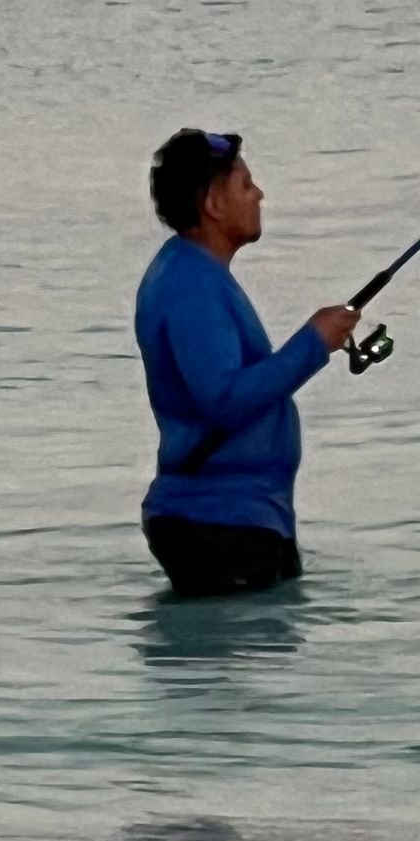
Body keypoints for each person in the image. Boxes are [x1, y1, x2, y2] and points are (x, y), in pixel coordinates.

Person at [134, 130, 359, 595]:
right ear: (214, 204)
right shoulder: (190, 284)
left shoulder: (195, 273)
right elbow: (223, 400)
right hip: (218, 527)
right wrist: (313, 344)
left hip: (241, 522)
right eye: (245, 185)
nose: (259, 194)